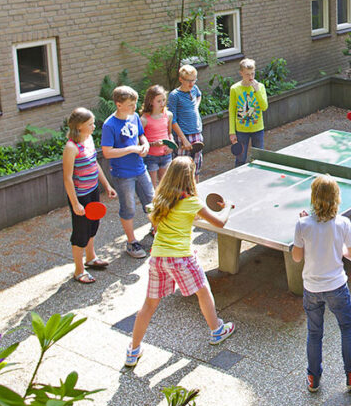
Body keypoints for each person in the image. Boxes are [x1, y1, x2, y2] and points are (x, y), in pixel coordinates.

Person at [124, 157, 235, 367]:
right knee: (203, 291)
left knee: (149, 305)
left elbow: (162, 222)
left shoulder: (160, 199)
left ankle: (133, 350)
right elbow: (220, 221)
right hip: (181, 258)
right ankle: (217, 330)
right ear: (189, 178)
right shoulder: (191, 202)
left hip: (158, 258)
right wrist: (227, 206)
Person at [292, 175, 351, 392]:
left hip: (311, 288)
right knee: (347, 327)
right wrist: (339, 250)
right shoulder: (343, 223)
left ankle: (313, 378)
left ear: (313, 197)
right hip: (337, 286)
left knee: (314, 332)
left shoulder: (302, 224)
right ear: (336, 198)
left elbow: (297, 258)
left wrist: (301, 229)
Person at [62, 108, 117, 284]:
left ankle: (91, 258)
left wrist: (106, 185)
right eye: (90, 124)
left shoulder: (89, 139)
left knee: (93, 225)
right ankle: (79, 271)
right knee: (80, 232)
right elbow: (68, 178)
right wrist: (76, 203)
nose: (94, 126)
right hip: (80, 196)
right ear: (79, 126)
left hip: (92, 190)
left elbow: (94, 165)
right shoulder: (71, 147)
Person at [101, 86, 153, 259]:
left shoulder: (135, 117)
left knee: (151, 201)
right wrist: (131, 149)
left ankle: (158, 232)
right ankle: (131, 242)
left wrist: (144, 144)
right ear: (118, 104)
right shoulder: (109, 125)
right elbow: (107, 152)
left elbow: (141, 135)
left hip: (140, 167)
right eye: (130, 104)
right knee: (128, 207)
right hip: (123, 173)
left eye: (135, 103)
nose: (134, 107)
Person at [141, 85, 189, 187]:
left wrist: (171, 145)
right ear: (150, 101)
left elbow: (169, 133)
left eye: (164, 100)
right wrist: (154, 144)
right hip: (151, 156)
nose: (162, 103)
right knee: (152, 186)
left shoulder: (169, 115)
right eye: (159, 101)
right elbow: (140, 140)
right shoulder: (144, 119)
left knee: (166, 184)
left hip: (166, 154)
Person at [229, 58, 269, 167]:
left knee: (259, 159)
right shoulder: (235, 89)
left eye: (253, 74)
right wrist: (232, 132)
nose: (251, 77)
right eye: (247, 74)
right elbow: (232, 111)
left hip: (258, 129)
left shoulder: (260, 87)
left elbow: (264, 107)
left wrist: (256, 91)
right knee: (240, 159)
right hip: (241, 130)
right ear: (241, 73)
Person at [168, 65, 204, 174]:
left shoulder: (194, 89)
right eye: (188, 81)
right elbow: (172, 120)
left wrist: (196, 106)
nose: (191, 84)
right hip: (183, 135)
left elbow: (199, 95)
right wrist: (183, 139)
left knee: (196, 167)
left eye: (194, 80)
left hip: (197, 132)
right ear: (181, 79)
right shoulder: (174, 95)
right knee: (181, 169)